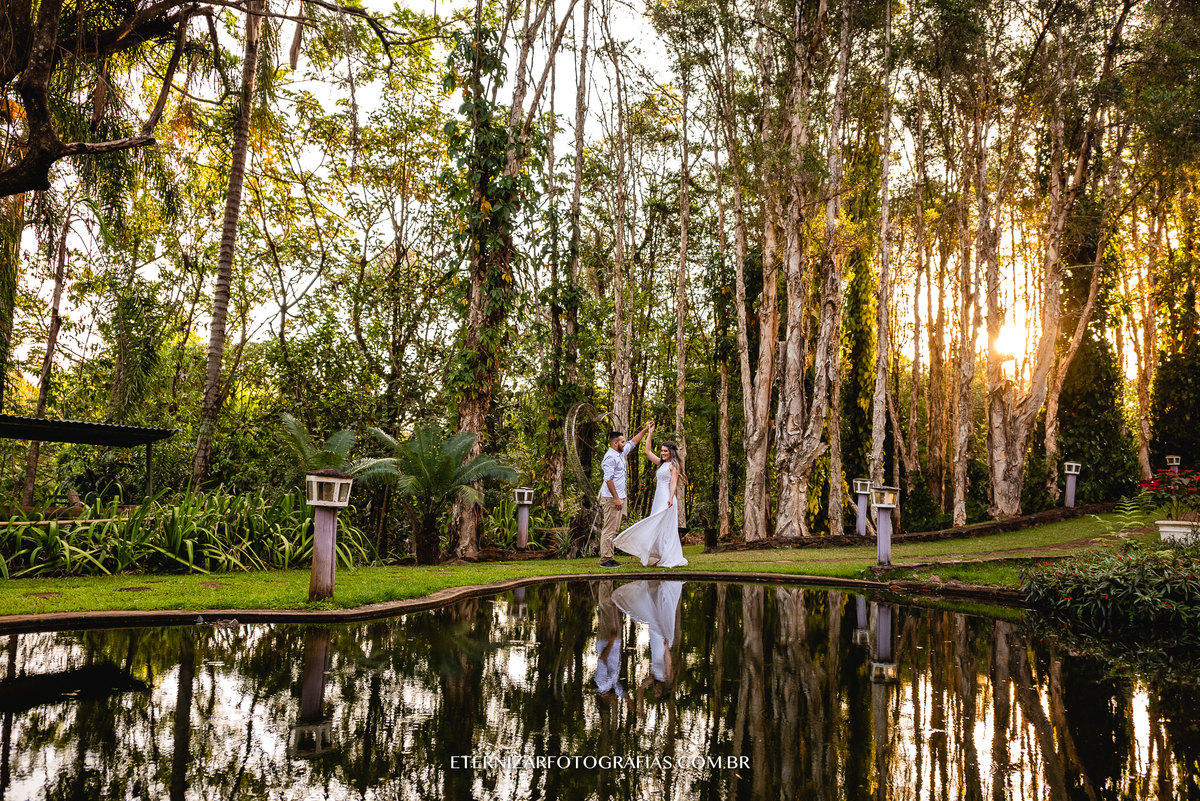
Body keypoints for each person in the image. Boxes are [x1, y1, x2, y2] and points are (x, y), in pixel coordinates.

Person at [613, 422, 688, 568]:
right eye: (662, 451)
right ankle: (658, 554)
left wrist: (671, 497)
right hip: (658, 498)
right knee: (657, 525)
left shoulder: (674, 465)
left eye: (665, 451)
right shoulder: (661, 463)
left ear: (672, 452)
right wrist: (650, 432)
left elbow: (673, 483)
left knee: (665, 527)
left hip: (667, 498)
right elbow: (647, 452)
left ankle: (668, 556)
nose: (663, 453)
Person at [598, 423, 649, 568]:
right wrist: (616, 498)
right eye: (621, 441)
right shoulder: (610, 457)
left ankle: (610, 557)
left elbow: (634, 442)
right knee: (609, 528)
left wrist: (645, 429)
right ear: (615, 443)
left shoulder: (620, 453)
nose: (624, 443)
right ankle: (605, 559)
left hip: (620, 496)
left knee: (614, 528)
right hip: (612, 498)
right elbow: (608, 479)